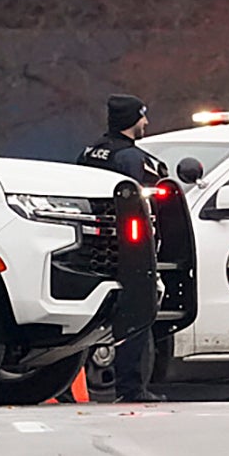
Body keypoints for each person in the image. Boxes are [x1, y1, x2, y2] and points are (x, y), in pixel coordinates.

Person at [79, 94, 168, 403]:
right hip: (129, 247)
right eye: (142, 117)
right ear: (132, 120)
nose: (146, 123)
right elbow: (138, 202)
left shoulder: (91, 151)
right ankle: (132, 388)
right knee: (137, 314)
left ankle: (68, 388)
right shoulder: (131, 158)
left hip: (93, 245)